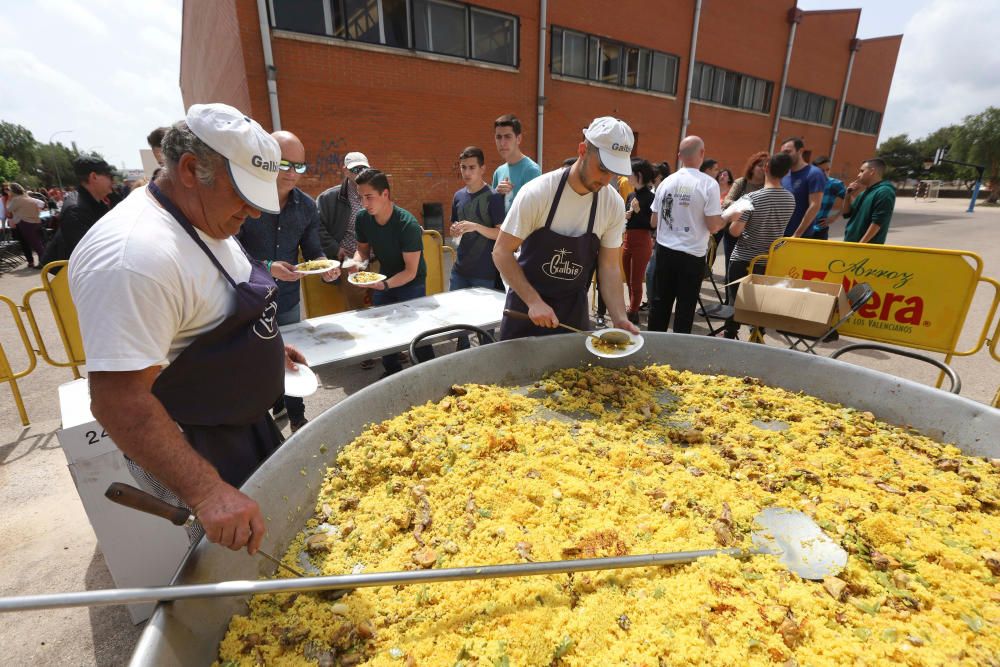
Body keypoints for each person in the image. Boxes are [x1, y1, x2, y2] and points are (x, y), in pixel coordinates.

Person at [69, 103, 306, 554]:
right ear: (192, 169)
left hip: (244, 426)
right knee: (241, 564)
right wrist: (207, 492)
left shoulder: (202, 214)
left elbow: (215, 302)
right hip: (198, 449)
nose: (254, 214)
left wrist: (268, 347)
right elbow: (119, 399)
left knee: (283, 535)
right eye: (244, 196)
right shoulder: (134, 259)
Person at [493, 116, 640, 340]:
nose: (606, 179)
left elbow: (609, 266)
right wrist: (534, 301)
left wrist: (619, 316)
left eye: (613, 171)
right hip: (525, 309)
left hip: (572, 313)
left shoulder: (612, 204)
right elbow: (501, 252)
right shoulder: (539, 193)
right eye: (602, 168)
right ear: (582, 150)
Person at [238, 131, 338, 433]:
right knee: (256, 363)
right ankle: (263, 424)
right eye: (285, 164)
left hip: (288, 298)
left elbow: (312, 250)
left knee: (292, 359)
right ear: (267, 162)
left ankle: (297, 417)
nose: (293, 173)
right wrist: (268, 267)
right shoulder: (244, 198)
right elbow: (229, 250)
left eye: (299, 166)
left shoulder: (307, 206)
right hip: (248, 301)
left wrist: (324, 267)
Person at [346, 168, 434, 376]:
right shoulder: (362, 218)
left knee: (417, 330)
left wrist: (383, 285)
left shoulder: (407, 224)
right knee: (382, 328)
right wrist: (356, 265)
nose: (364, 204)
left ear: (385, 194)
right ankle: (392, 372)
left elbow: (411, 271)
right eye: (361, 197)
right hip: (384, 276)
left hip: (412, 282)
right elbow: (362, 251)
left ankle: (429, 371)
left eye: (369, 197)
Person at [649, 136, 724, 334]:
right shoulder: (709, 184)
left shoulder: (666, 182)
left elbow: (653, 221)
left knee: (659, 303)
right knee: (685, 307)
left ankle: (652, 346)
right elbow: (714, 226)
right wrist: (729, 216)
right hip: (692, 254)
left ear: (679, 156)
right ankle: (678, 354)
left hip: (664, 251)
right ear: (702, 153)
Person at [721, 153, 795, 338]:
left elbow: (735, 231)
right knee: (760, 303)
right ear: (786, 173)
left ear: (766, 168)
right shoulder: (790, 199)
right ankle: (757, 334)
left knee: (735, 302)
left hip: (744, 258)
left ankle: (730, 334)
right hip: (769, 260)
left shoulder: (752, 198)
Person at [317, 151, 369, 312]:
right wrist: (334, 248)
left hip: (376, 258)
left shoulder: (374, 192)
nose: (360, 173)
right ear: (345, 170)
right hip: (350, 261)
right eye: (355, 169)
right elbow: (316, 227)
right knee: (358, 309)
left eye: (364, 169)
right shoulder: (329, 197)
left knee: (382, 305)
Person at [41, 156, 115, 265]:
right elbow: (90, 253)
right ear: (93, 177)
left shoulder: (93, 202)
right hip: (72, 274)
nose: (113, 181)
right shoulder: (76, 210)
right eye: (110, 177)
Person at [720, 151, 768, 280]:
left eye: (766, 166)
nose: (763, 169)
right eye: (760, 165)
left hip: (753, 234)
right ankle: (729, 299)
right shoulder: (741, 182)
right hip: (732, 231)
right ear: (752, 166)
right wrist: (746, 206)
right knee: (731, 267)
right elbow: (726, 202)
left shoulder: (767, 187)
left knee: (750, 271)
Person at [622, 158, 655, 324]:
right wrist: (626, 215)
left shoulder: (651, 197)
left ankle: (633, 311)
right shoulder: (631, 194)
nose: (628, 176)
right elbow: (628, 219)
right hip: (628, 238)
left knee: (636, 280)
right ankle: (632, 307)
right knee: (628, 279)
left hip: (642, 239)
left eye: (631, 173)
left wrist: (638, 210)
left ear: (639, 175)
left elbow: (651, 224)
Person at [491, 114, 542, 213]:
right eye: (498, 137)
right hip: (501, 228)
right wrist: (496, 195)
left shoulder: (531, 170)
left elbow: (535, 212)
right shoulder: (498, 172)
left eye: (507, 137)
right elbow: (492, 213)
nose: (502, 143)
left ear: (518, 139)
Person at [779, 137, 826, 237]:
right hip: (779, 235)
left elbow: (815, 206)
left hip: (799, 237)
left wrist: (797, 234)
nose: (784, 156)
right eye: (783, 153)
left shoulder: (814, 173)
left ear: (800, 151)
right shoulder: (784, 174)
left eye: (788, 152)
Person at [842, 158, 896, 244]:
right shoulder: (864, 193)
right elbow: (846, 213)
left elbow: (877, 223)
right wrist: (848, 195)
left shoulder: (884, 192)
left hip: (865, 248)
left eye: (862, 171)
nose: (858, 175)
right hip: (851, 243)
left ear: (872, 171)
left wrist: (861, 245)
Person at [642, 161, 673, 313]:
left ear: (659, 176)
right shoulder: (654, 190)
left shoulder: (663, 191)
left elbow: (655, 221)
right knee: (650, 273)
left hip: (661, 240)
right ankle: (651, 302)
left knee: (651, 273)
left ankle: (654, 305)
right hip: (654, 238)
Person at [804, 156, 846, 240]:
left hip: (820, 229)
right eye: (821, 170)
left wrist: (834, 218)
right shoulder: (806, 181)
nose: (825, 173)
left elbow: (849, 202)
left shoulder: (835, 184)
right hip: (802, 227)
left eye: (827, 170)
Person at [5, 183, 47, 267]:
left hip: (25, 222)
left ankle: (44, 262)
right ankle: (43, 261)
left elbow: (8, 210)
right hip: (36, 221)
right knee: (37, 243)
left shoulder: (16, 200)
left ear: (12, 191)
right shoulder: (27, 197)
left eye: (9, 190)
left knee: (35, 243)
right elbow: (42, 204)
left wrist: (9, 198)